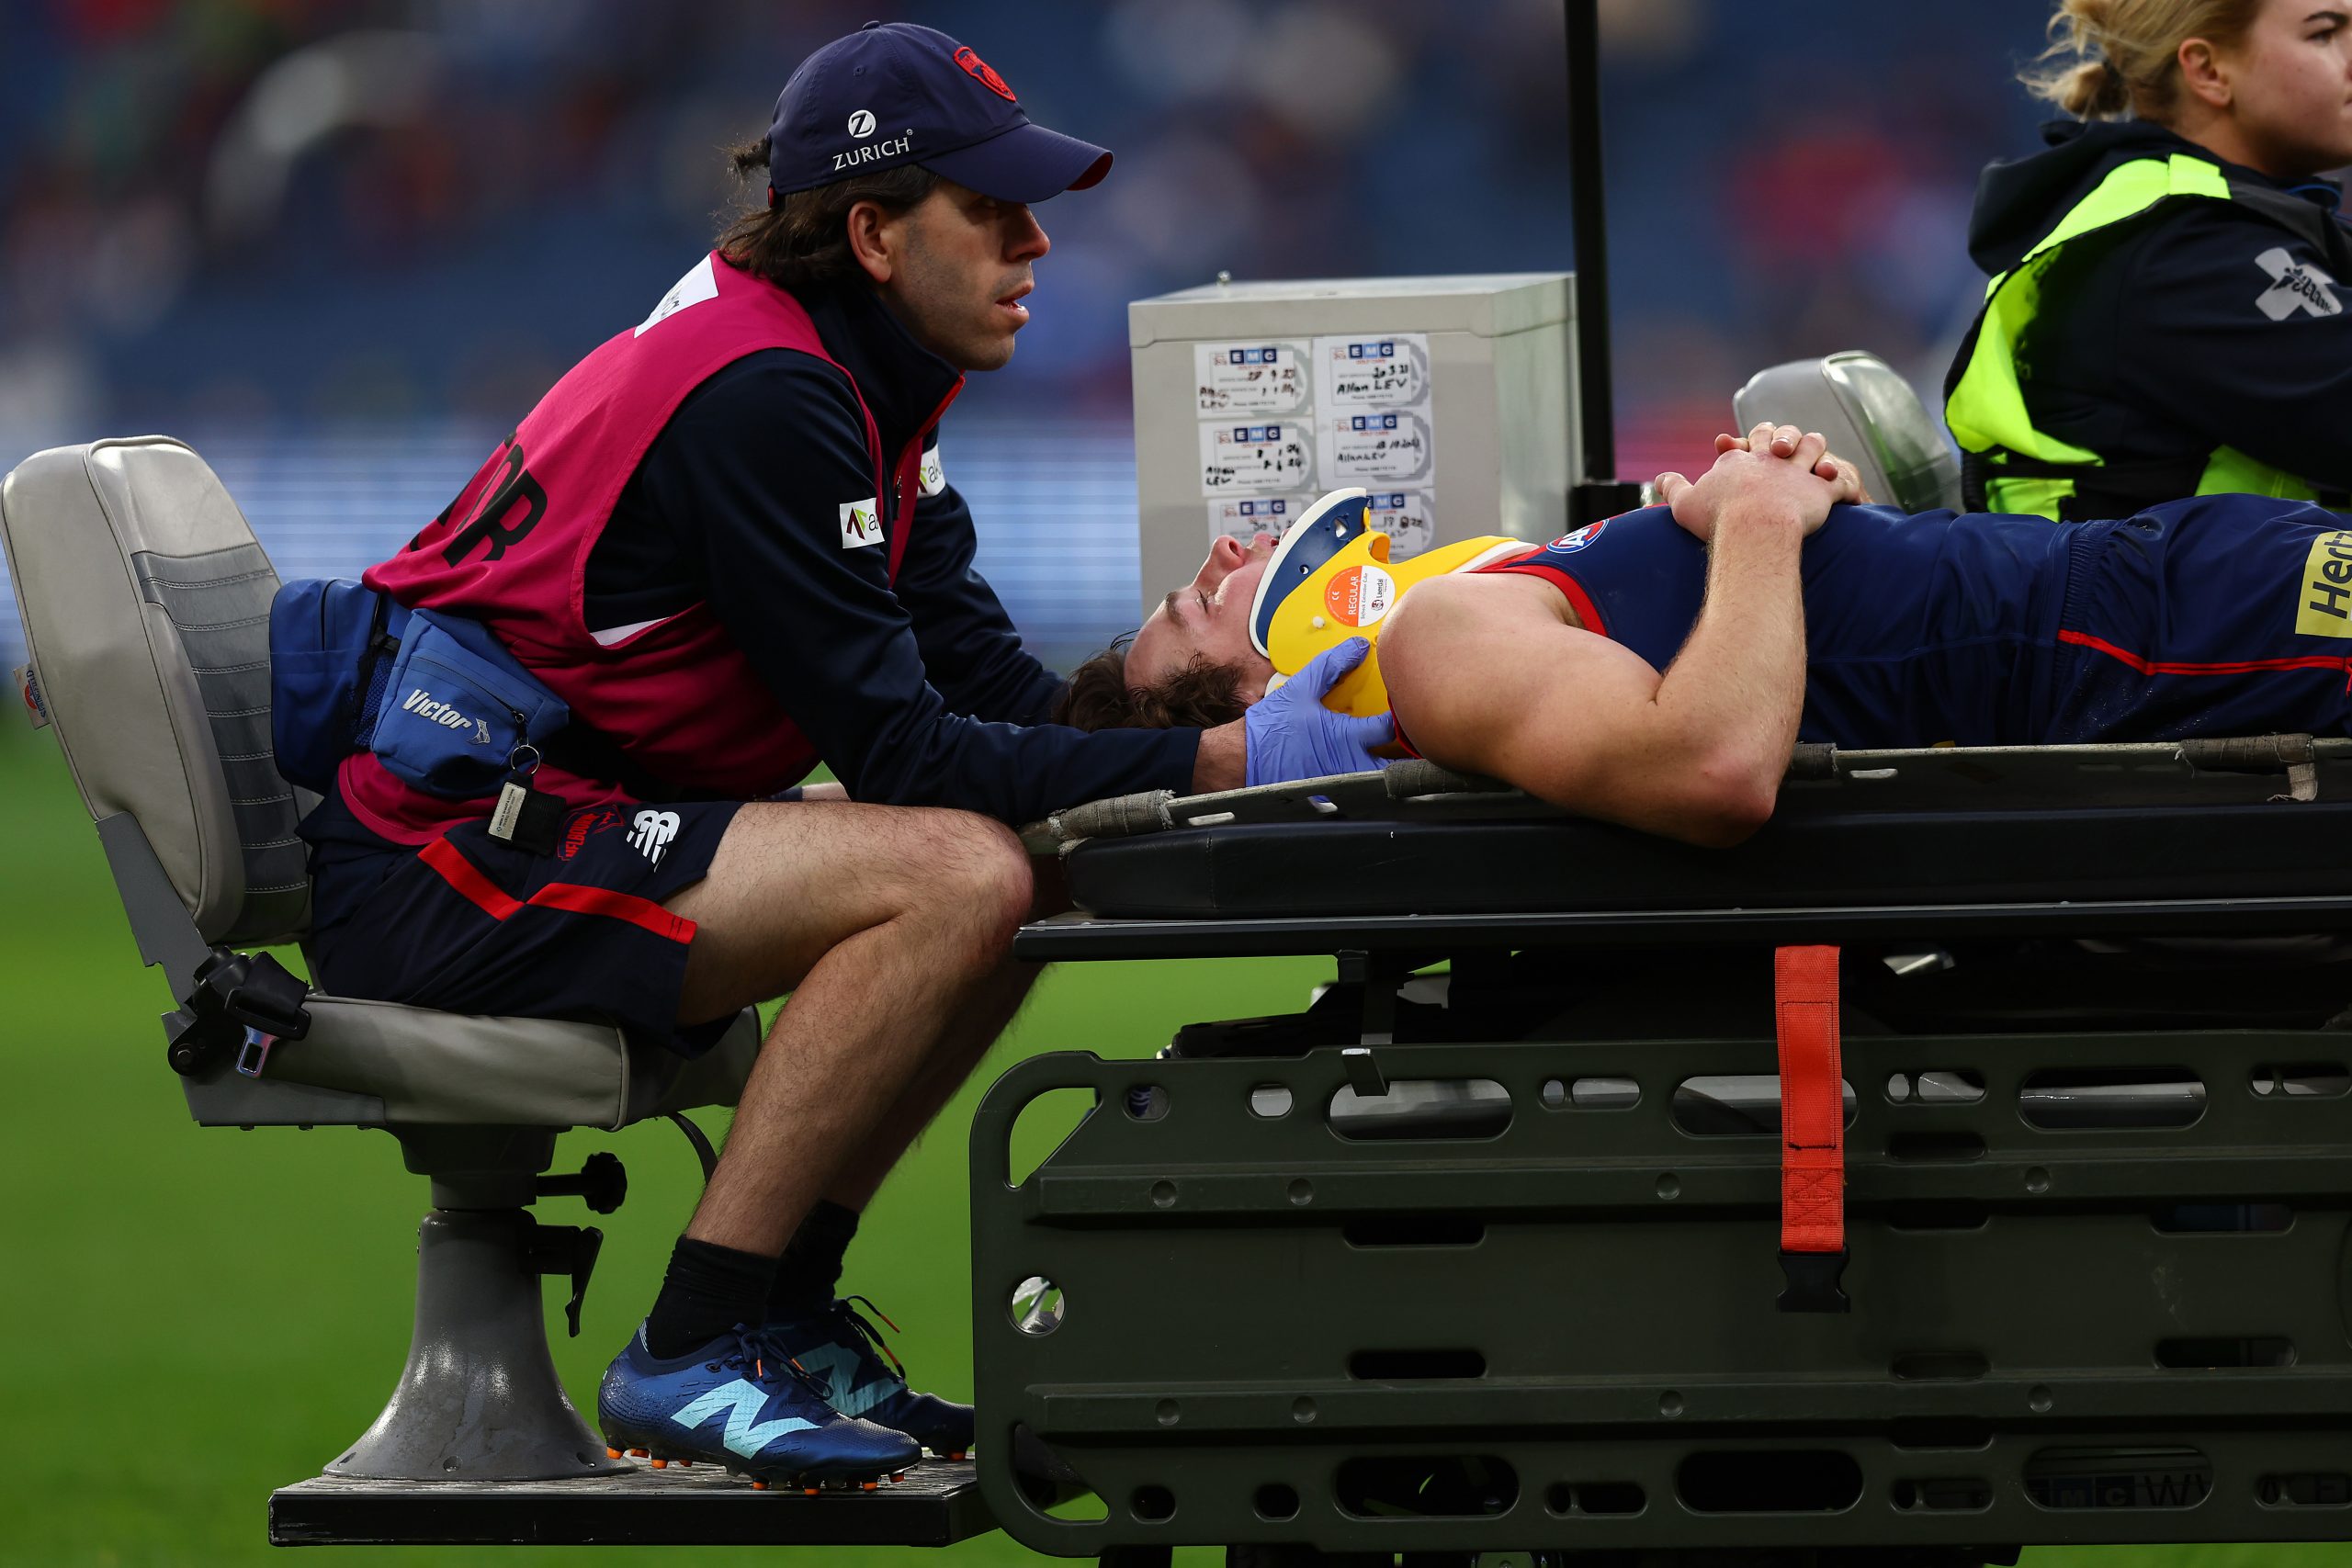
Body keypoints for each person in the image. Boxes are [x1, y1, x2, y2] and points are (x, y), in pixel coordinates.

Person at [289, 22, 1384, 1490]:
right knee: (958, 870)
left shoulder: (860, 379)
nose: (1035, 243)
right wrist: (1234, 756)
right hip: (445, 858)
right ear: (872, 234)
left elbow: (994, 695)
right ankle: (694, 1340)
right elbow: (907, 753)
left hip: (544, 821)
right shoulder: (770, 393)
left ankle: (784, 1315)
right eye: (989, 210)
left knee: (1035, 854)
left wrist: (1189, 704)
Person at [1068, 424, 2352, 847]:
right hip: (2142, 632)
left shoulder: (1461, 615)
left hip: (2144, 597)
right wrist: (1757, 517)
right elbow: (1715, 769)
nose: (1221, 559)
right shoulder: (1436, 645)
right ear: (1264, 692)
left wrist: (1785, 504)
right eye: (1194, 607)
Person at [1943, 0, 2352, 521]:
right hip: (2160, 579)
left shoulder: (2209, 216)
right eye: (2324, 34)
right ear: (2208, 71)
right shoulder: (2182, 247)